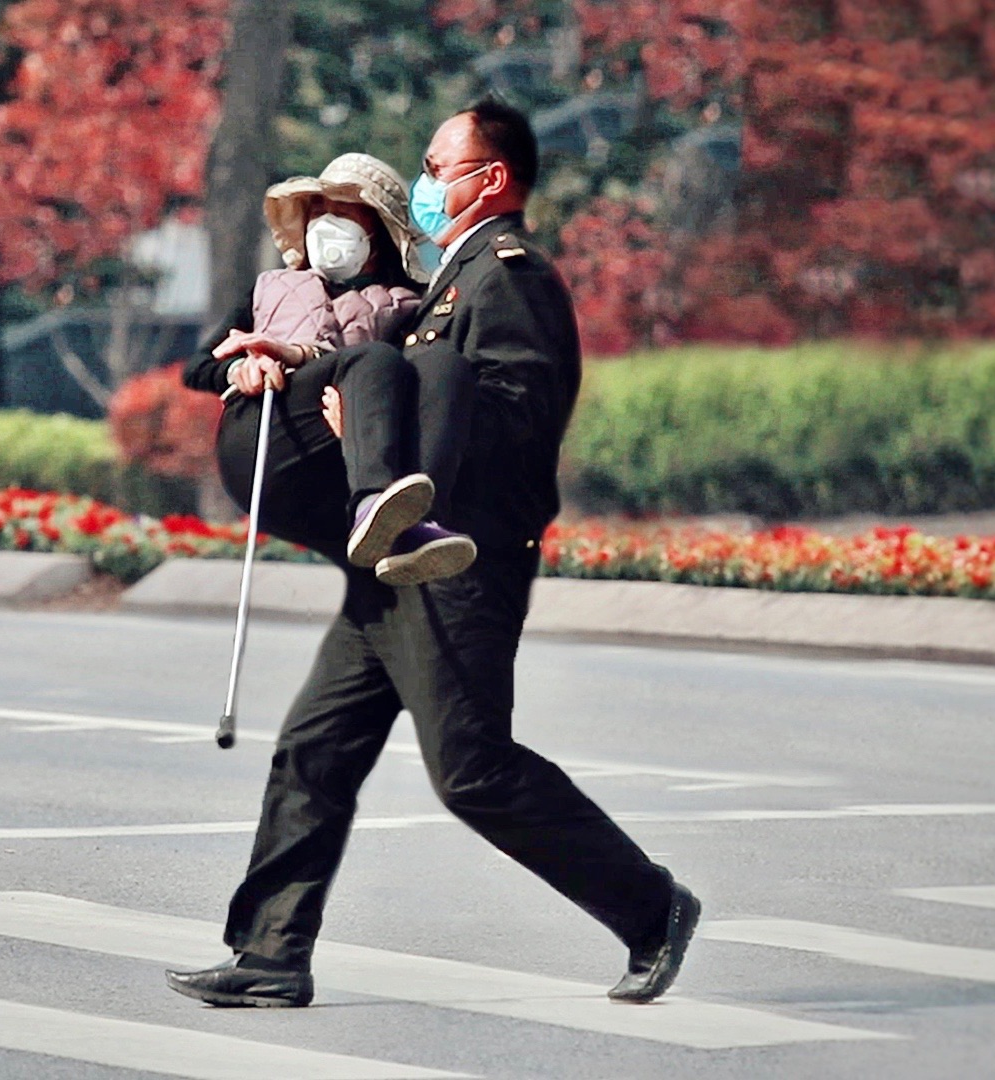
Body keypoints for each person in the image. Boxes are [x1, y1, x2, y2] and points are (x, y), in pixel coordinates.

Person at [168, 98, 700, 1010]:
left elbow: (517, 417)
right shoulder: (448, 278)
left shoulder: (509, 275)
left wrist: (400, 439)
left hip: (464, 562)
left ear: (489, 179)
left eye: (435, 165)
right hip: (394, 558)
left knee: (472, 771)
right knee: (315, 747)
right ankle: (269, 953)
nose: (423, 182)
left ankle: (650, 909)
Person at [182, 152, 477, 585]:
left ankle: (413, 522)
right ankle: (370, 503)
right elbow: (199, 367)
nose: (323, 221)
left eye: (341, 212)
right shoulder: (274, 286)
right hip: (270, 429)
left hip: (338, 453)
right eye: (318, 210)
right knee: (373, 357)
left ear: (376, 230)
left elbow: (416, 396)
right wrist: (240, 369)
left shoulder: (412, 304)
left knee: (442, 362)